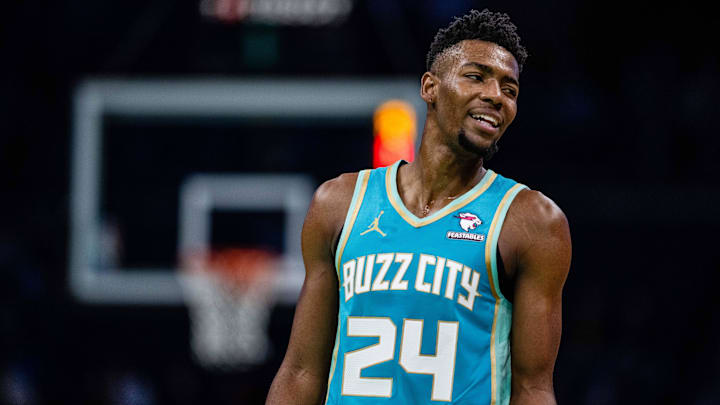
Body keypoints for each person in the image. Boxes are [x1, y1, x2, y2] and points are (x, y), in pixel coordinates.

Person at [266, 8, 571, 405]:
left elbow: (534, 388)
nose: (496, 96)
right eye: (476, 76)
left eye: (509, 89)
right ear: (430, 87)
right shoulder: (339, 203)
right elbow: (301, 371)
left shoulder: (531, 221)